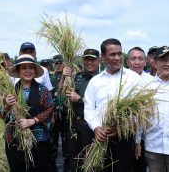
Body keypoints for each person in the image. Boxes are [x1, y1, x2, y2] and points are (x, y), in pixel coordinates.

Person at [84, 38, 142, 172]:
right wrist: (96, 128)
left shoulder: (134, 79)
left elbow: (141, 109)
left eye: (119, 54)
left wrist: (122, 128)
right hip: (100, 137)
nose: (117, 58)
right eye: (112, 54)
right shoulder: (95, 81)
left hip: (125, 138)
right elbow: (88, 108)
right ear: (103, 57)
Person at [0, 54, 53, 172]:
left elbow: (49, 109)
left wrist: (33, 120)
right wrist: (7, 105)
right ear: (18, 71)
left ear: (34, 70)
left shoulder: (43, 90)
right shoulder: (10, 91)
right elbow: (1, 115)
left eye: (31, 67)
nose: (27, 71)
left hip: (39, 140)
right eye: (23, 68)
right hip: (14, 140)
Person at [62, 49, 100, 172]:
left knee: (91, 157)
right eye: (87, 59)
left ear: (99, 60)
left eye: (93, 59)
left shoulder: (102, 79)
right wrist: (64, 77)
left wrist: (79, 99)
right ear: (83, 61)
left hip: (91, 124)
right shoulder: (77, 77)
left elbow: (102, 104)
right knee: (74, 157)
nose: (90, 62)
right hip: (74, 122)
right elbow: (62, 92)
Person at [127, 46, 153, 172]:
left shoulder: (152, 82)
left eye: (140, 59)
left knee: (141, 167)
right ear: (127, 62)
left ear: (145, 61)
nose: (137, 62)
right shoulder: (120, 78)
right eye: (133, 59)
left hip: (144, 134)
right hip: (122, 132)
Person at [49, 54, 69, 172]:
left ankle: (67, 166)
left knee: (66, 143)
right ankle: (52, 167)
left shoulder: (70, 77)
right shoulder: (50, 78)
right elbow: (54, 93)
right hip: (54, 113)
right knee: (53, 142)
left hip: (65, 113)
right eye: (56, 63)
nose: (58, 65)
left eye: (60, 63)